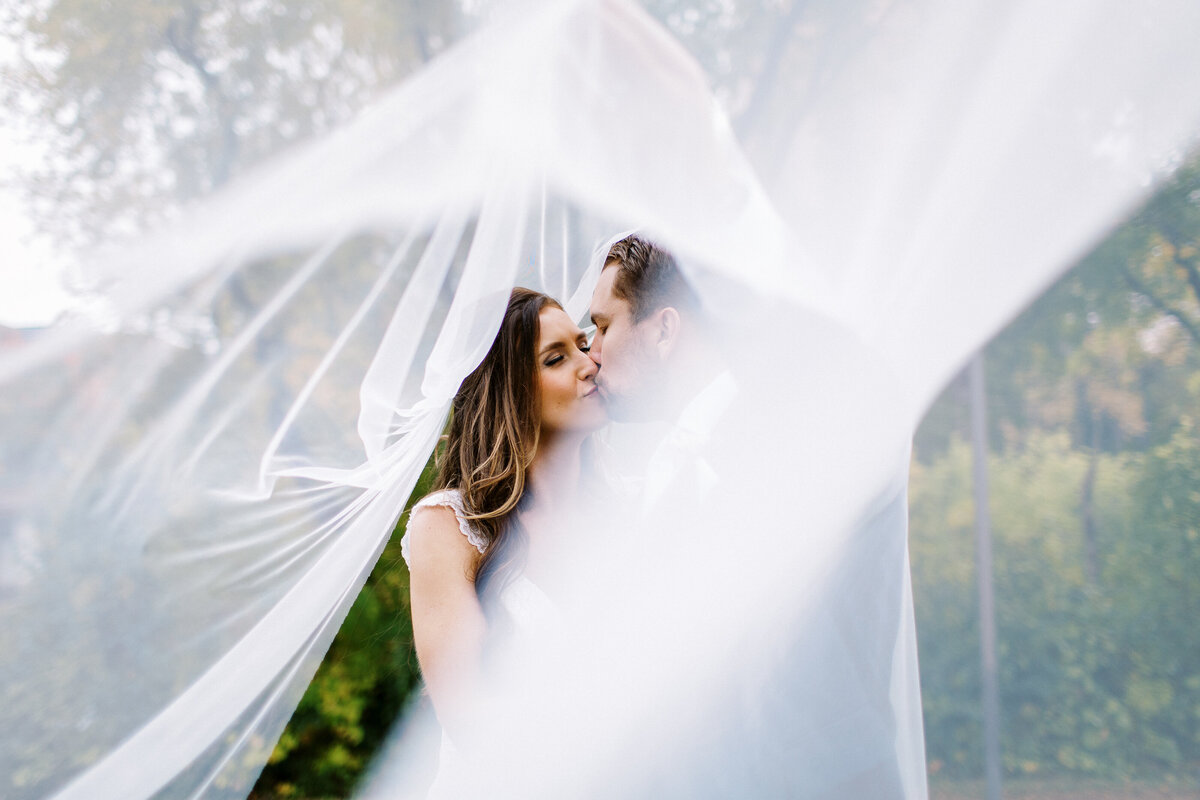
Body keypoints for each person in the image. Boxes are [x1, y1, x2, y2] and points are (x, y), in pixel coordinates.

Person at [587, 234, 911, 799]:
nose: (591, 352)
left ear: (664, 329)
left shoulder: (791, 437)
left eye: (603, 326)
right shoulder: (667, 466)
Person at [399, 287, 605, 795]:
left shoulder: (626, 505)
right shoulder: (449, 527)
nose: (588, 365)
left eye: (583, 345)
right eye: (556, 359)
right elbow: (468, 719)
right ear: (511, 391)